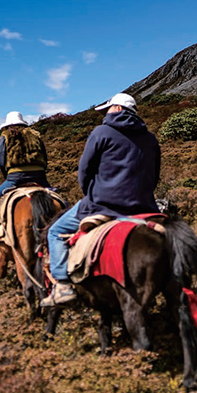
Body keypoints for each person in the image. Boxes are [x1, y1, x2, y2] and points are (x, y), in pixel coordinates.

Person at [42, 93, 160, 307]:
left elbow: (84, 171)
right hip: (144, 206)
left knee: (55, 232)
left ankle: (62, 286)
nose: (105, 114)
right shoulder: (150, 138)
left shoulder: (101, 132)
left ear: (117, 109)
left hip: (104, 204)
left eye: (108, 109)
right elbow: (155, 174)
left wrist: (92, 195)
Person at [0, 111, 52, 252]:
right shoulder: (36, 135)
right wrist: (41, 172)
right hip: (39, 175)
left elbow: (2, 160)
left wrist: (8, 176)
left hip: (16, 176)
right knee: (58, 199)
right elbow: (45, 157)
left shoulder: (5, 136)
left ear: (7, 125)